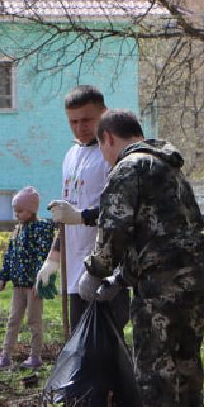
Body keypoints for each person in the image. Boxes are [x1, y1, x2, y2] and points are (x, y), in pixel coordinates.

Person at [78, 110, 204, 407]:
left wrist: (95, 271)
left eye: (102, 149)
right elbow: (163, 233)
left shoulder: (127, 168)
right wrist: (121, 279)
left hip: (162, 281)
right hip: (198, 274)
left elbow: (115, 227)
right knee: (186, 359)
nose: (106, 158)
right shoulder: (171, 168)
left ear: (108, 138)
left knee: (155, 365)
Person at [40, 86, 129, 332]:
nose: (80, 128)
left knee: (105, 347)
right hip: (74, 271)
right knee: (79, 346)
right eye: (73, 122)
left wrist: (81, 217)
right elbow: (66, 216)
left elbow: (120, 208)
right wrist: (53, 259)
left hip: (105, 271)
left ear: (104, 113)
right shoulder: (71, 156)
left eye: (88, 120)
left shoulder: (112, 155)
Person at [0, 187, 58, 369]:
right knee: (13, 320)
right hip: (18, 285)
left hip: (33, 286)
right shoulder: (17, 231)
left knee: (34, 320)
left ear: (32, 210)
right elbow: (9, 256)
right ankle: (5, 356)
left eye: (20, 211)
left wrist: (40, 280)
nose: (17, 215)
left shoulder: (41, 229)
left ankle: (35, 357)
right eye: (15, 211)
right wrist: (3, 277)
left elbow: (43, 256)